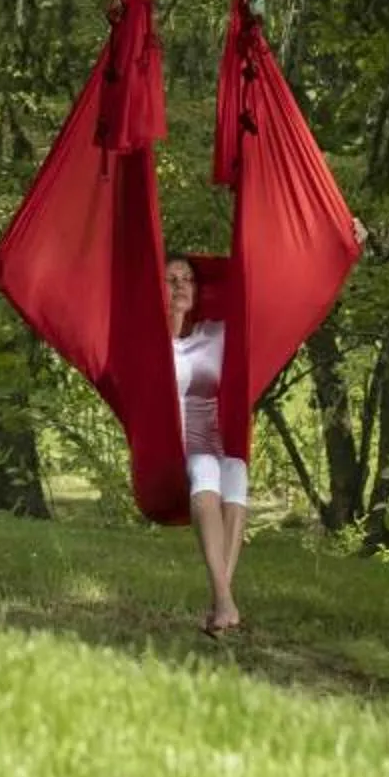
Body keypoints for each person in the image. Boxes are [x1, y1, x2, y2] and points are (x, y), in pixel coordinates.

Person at [167, 253, 247, 636]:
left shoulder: (216, 334)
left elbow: (274, 304)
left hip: (213, 441)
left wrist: (345, 243)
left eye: (187, 279)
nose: (180, 285)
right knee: (206, 467)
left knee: (236, 467)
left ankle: (220, 602)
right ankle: (224, 598)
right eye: (171, 279)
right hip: (171, 447)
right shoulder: (148, 344)